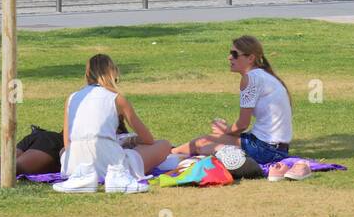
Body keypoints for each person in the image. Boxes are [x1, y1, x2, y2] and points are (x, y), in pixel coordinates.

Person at [172, 35, 293, 167]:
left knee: (203, 146)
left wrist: (226, 131)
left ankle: (167, 156)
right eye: (230, 53)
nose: (229, 58)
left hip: (265, 150)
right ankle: (171, 152)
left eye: (235, 54)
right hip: (276, 148)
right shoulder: (264, 75)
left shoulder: (251, 79)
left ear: (250, 58)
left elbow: (242, 124)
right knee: (203, 141)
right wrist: (227, 131)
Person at [58, 54, 172, 186]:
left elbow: (67, 143)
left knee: (66, 151)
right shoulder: (116, 98)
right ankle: (116, 172)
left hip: (74, 166)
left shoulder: (72, 98)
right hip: (110, 166)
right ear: (113, 73)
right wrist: (131, 140)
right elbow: (148, 139)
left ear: (87, 74)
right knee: (163, 145)